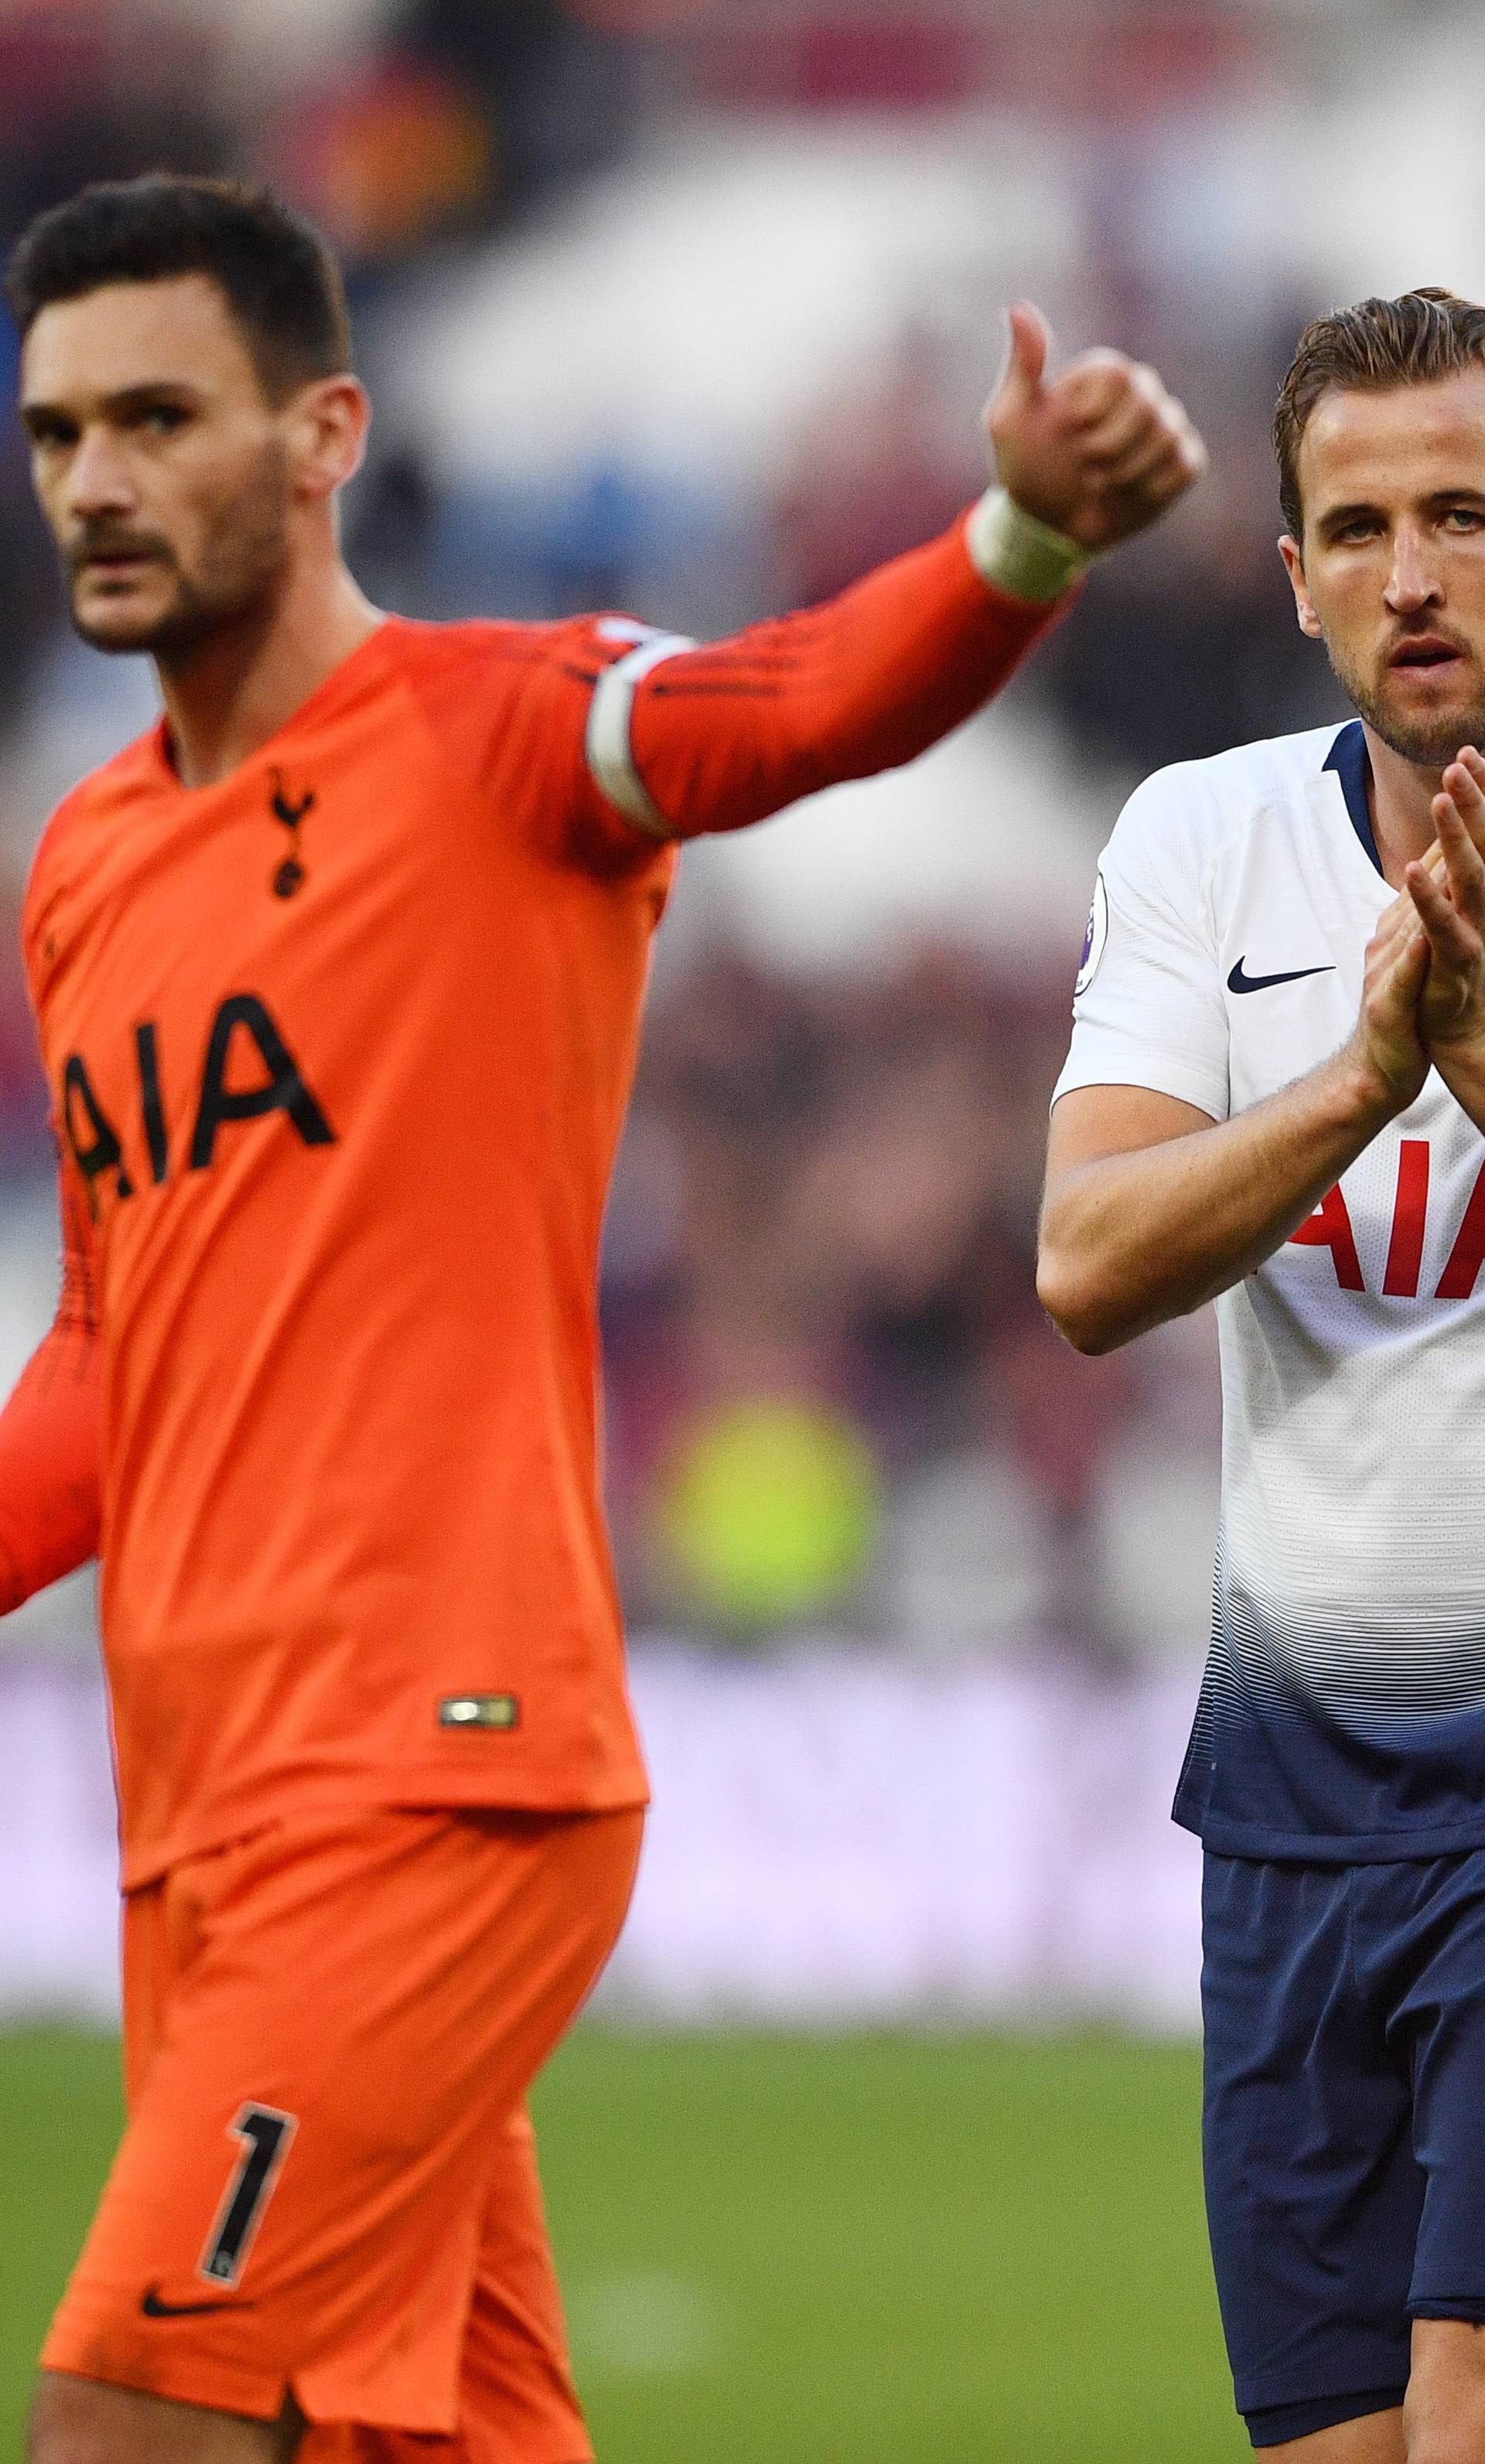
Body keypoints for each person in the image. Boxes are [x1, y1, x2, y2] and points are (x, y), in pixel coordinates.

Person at [1, 172, 1201, 2464]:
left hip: (432, 1779)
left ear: (325, 429)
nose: (98, 480)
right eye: (58, 432)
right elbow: (108, 1361)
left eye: (160, 415)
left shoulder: (489, 734)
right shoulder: (83, 867)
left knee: (123, 2423)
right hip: (204, 1819)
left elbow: (785, 707)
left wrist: (1014, 544)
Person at [1039, 286, 1485, 2464]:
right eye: (1366, 523)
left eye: (1472, 513)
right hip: (1295, 1815)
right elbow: (1087, 1260)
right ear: (1293, 573)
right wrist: (1363, 1080)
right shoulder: (1201, 844)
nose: (1419, 574)